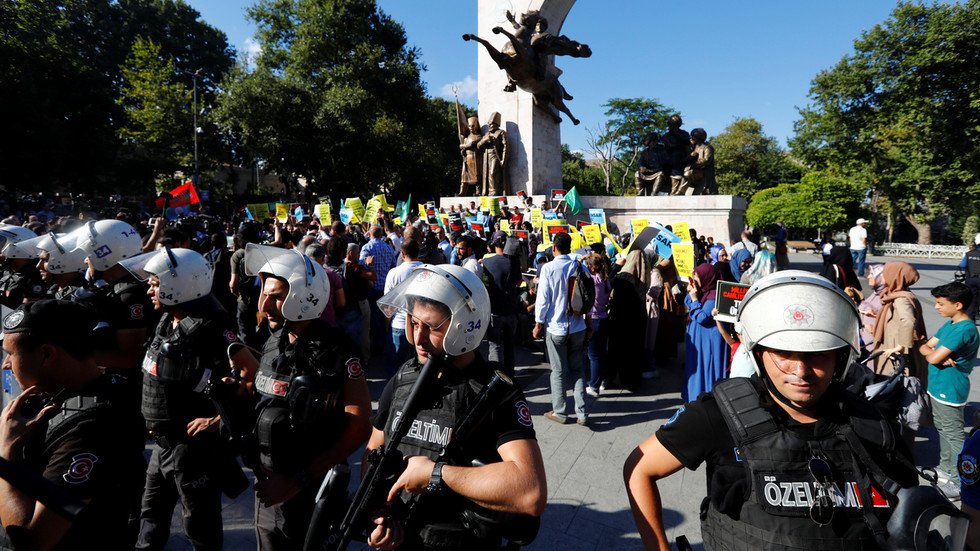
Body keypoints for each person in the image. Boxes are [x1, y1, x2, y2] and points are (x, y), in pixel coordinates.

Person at [624, 271, 920, 550]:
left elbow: (910, 512)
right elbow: (639, 469)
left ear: (840, 357)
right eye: (783, 353)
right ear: (759, 352)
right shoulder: (719, 415)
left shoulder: (871, 424)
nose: (800, 371)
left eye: (816, 354)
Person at [367, 264, 547, 550]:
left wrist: (437, 474)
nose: (418, 338)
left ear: (466, 325)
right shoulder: (404, 376)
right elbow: (375, 449)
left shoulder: (492, 388)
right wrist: (380, 516)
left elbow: (530, 491)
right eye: (414, 323)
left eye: (433, 326)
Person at [121, 247, 258, 551]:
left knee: (200, 525)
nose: (149, 288)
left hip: (193, 451)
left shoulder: (211, 327)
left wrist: (218, 419)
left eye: (155, 283)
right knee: (150, 521)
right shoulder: (167, 321)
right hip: (163, 445)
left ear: (177, 285)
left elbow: (252, 373)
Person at [244, 244, 372, 550]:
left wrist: (298, 480)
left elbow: (359, 424)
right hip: (270, 492)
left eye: (275, 296)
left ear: (303, 296)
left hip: (311, 494)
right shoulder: (275, 341)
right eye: (264, 293)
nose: (265, 304)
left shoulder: (338, 350)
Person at [0, 300, 145, 550]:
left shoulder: (93, 425)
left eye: (11, 354)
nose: (6, 365)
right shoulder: (57, 393)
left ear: (47, 353)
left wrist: (6, 455)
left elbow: (33, 542)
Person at [919, 282, 980, 498]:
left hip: (951, 390)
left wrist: (934, 355)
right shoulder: (951, 323)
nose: (936, 307)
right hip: (939, 387)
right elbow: (925, 346)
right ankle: (946, 469)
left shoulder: (964, 329)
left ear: (958, 305)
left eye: (941, 303)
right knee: (943, 429)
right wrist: (934, 354)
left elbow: (932, 354)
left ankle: (959, 482)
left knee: (954, 436)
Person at [534, 233, 590, 425]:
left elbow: (543, 300)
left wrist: (538, 323)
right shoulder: (579, 265)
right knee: (577, 369)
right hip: (577, 325)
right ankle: (582, 414)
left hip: (556, 326)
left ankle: (561, 411)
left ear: (554, 248)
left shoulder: (549, 268)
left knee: (557, 371)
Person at [869, 262, 928, 378]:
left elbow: (908, 320)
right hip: (892, 343)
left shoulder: (901, 298)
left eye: (886, 274)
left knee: (892, 380)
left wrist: (900, 345)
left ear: (894, 276)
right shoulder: (895, 294)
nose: (882, 276)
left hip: (894, 346)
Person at [682, 263, 728, 402]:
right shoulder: (703, 290)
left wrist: (695, 299)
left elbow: (702, 317)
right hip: (699, 339)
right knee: (697, 368)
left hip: (709, 340)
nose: (694, 278)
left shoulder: (714, 296)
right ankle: (693, 398)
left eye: (697, 275)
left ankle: (706, 400)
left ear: (707, 277)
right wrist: (692, 293)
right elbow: (687, 301)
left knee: (706, 367)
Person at [606, 250, 649, 391]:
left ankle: (619, 378)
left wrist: (617, 266)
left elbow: (607, 285)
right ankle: (633, 380)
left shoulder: (623, 277)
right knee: (635, 348)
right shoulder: (644, 278)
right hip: (638, 318)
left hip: (621, 317)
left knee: (620, 348)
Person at [384, 239, 425, 376]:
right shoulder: (427, 270)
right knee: (419, 368)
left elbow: (388, 305)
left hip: (399, 325)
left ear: (402, 253)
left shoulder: (394, 273)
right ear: (418, 252)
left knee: (396, 369)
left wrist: (386, 325)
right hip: (422, 326)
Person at [483, 236, 522, 377]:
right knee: (509, 344)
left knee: (495, 345)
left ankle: (497, 376)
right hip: (510, 311)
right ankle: (510, 375)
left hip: (495, 311)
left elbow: (485, 285)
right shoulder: (513, 262)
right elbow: (519, 282)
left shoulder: (487, 262)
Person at [584, 253, 612, 396]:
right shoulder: (605, 279)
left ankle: (594, 385)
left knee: (593, 355)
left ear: (592, 267)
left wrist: (582, 259)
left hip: (594, 319)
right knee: (602, 353)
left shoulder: (593, 281)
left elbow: (580, 268)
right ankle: (603, 380)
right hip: (604, 317)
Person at [0, 225, 46, 309]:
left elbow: (27, 312)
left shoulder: (35, 276)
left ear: (17, 248)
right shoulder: (7, 270)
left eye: (2, 245)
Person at [478, 112, 509, 196]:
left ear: (496, 124)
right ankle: (487, 191)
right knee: (486, 175)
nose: (489, 126)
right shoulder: (486, 134)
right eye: (489, 124)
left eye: (491, 124)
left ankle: (494, 191)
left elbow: (506, 147)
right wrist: (485, 140)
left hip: (495, 155)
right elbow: (478, 145)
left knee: (493, 173)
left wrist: (504, 159)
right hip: (486, 156)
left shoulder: (501, 132)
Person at [958, 233, 980, 322]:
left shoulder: (969, 253)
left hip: (970, 279)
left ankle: (971, 319)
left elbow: (962, 265)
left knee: (971, 299)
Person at [686, 128, 716, 195]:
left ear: (697, 138)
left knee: (687, 174)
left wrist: (693, 164)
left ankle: (681, 191)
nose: (691, 138)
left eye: (692, 137)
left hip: (703, 172)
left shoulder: (707, 147)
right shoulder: (693, 148)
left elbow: (706, 160)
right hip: (695, 170)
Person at [458, 116, 482, 196]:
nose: (471, 128)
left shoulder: (479, 136)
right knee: (464, 176)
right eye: (469, 126)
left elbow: (471, 144)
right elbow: (462, 147)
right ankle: (462, 191)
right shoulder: (466, 138)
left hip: (475, 157)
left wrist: (463, 146)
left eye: (473, 126)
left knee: (476, 175)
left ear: (476, 126)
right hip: (466, 158)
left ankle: (478, 191)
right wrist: (463, 150)